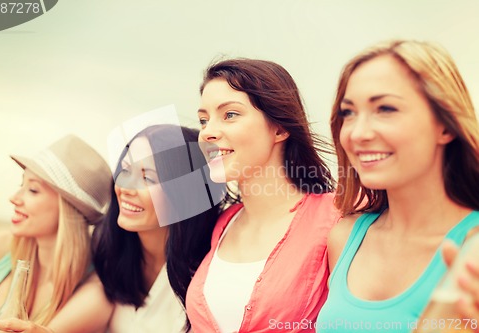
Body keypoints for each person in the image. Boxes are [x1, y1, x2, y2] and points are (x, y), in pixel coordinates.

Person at [316, 40, 479, 332]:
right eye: (348, 113)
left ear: (444, 125)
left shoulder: (474, 246)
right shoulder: (344, 238)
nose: (358, 133)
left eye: (386, 108)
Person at [186, 58, 339, 332]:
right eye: (203, 120)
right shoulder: (223, 224)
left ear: (279, 128)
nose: (207, 132)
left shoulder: (335, 218)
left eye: (230, 114)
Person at [91, 124, 223, 332]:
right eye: (125, 170)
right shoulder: (112, 254)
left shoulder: (208, 282)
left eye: (148, 178)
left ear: (185, 193)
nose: (126, 187)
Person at [0, 134, 114, 333]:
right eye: (21, 185)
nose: (14, 198)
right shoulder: (0, 247)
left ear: (68, 209)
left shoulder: (94, 295)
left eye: (33, 190)